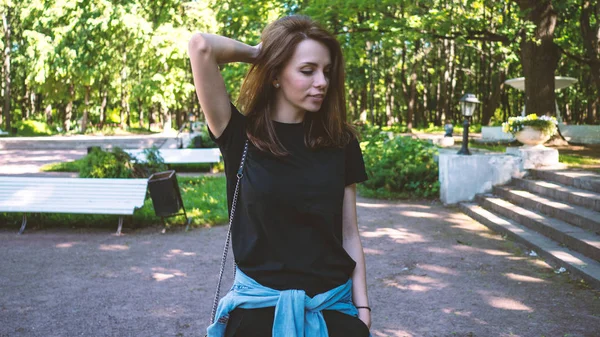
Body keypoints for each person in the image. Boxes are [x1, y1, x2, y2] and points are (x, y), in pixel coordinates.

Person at [188, 15, 370, 337]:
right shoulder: (239, 134)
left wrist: (364, 310)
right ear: (276, 75)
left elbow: (349, 232)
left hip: (332, 312)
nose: (322, 82)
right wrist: (262, 53)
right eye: (307, 70)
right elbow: (201, 46)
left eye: (326, 72)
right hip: (257, 314)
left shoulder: (340, 142)